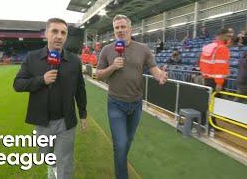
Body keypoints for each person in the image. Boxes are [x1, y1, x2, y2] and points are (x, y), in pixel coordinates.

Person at [13, 18, 87, 179]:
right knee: (46, 155)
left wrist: (83, 114)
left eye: (63, 32)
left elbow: (80, 89)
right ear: (46, 34)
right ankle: (51, 167)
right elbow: (17, 84)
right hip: (42, 122)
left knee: (65, 162)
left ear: (66, 36)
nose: (59, 36)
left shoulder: (74, 61)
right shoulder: (32, 58)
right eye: (54, 31)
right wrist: (41, 80)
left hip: (66, 122)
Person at [96, 14, 168, 179]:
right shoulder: (107, 50)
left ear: (130, 28)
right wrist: (113, 67)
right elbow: (98, 75)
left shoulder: (143, 48)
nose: (120, 30)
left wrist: (160, 76)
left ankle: (120, 159)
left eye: (123, 27)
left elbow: (154, 69)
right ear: (114, 31)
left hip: (136, 104)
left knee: (127, 142)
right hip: (115, 104)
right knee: (120, 145)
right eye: (117, 28)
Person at [199, 28, 231, 130]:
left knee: (208, 101)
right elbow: (220, 67)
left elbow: (202, 64)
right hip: (215, 81)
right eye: (228, 36)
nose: (230, 38)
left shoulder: (209, 47)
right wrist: (219, 83)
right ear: (222, 35)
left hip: (207, 79)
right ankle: (211, 125)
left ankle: (208, 123)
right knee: (215, 103)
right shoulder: (222, 48)